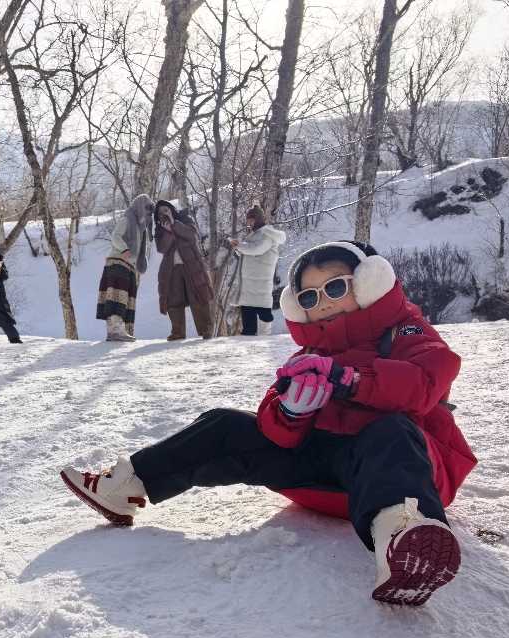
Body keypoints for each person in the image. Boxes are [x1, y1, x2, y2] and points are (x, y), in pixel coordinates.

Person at [60, 241, 477, 607]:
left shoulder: (406, 332)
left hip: (401, 474)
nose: (323, 302)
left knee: (391, 432)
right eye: (310, 296)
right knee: (225, 425)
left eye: (335, 288)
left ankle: (403, 541)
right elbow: (273, 430)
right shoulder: (307, 356)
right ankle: (124, 486)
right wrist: (290, 413)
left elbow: (424, 383)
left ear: (369, 283)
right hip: (324, 483)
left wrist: (351, 379)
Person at [96, 194, 155, 342]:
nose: (148, 213)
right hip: (117, 262)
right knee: (117, 297)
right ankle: (115, 331)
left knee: (126, 299)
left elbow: (141, 248)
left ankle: (118, 331)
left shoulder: (141, 228)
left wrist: (140, 262)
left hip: (129, 267)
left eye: (150, 211)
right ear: (140, 207)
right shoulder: (127, 219)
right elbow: (116, 236)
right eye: (146, 209)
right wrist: (124, 249)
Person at [154, 200, 215, 341]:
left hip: (191, 265)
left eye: (166, 210)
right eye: (160, 212)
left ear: (171, 209)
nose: (164, 213)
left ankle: (206, 329)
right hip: (172, 269)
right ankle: (177, 332)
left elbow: (192, 236)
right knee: (173, 299)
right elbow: (162, 248)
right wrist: (168, 231)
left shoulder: (184, 218)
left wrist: (174, 225)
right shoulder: (159, 229)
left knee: (198, 295)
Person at [228, 205, 285, 336]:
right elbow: (250, 250)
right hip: (251, 282)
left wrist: (239, 245)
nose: (248, 222)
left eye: (251, 219)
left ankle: (264, 338)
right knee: (248, 311)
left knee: (263, 312)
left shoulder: (267, 234)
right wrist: (239, 247)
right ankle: (249, 337)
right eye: (248, 219)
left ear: (257, 219)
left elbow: (256, 249)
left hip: (260, 282)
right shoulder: (255, 234)